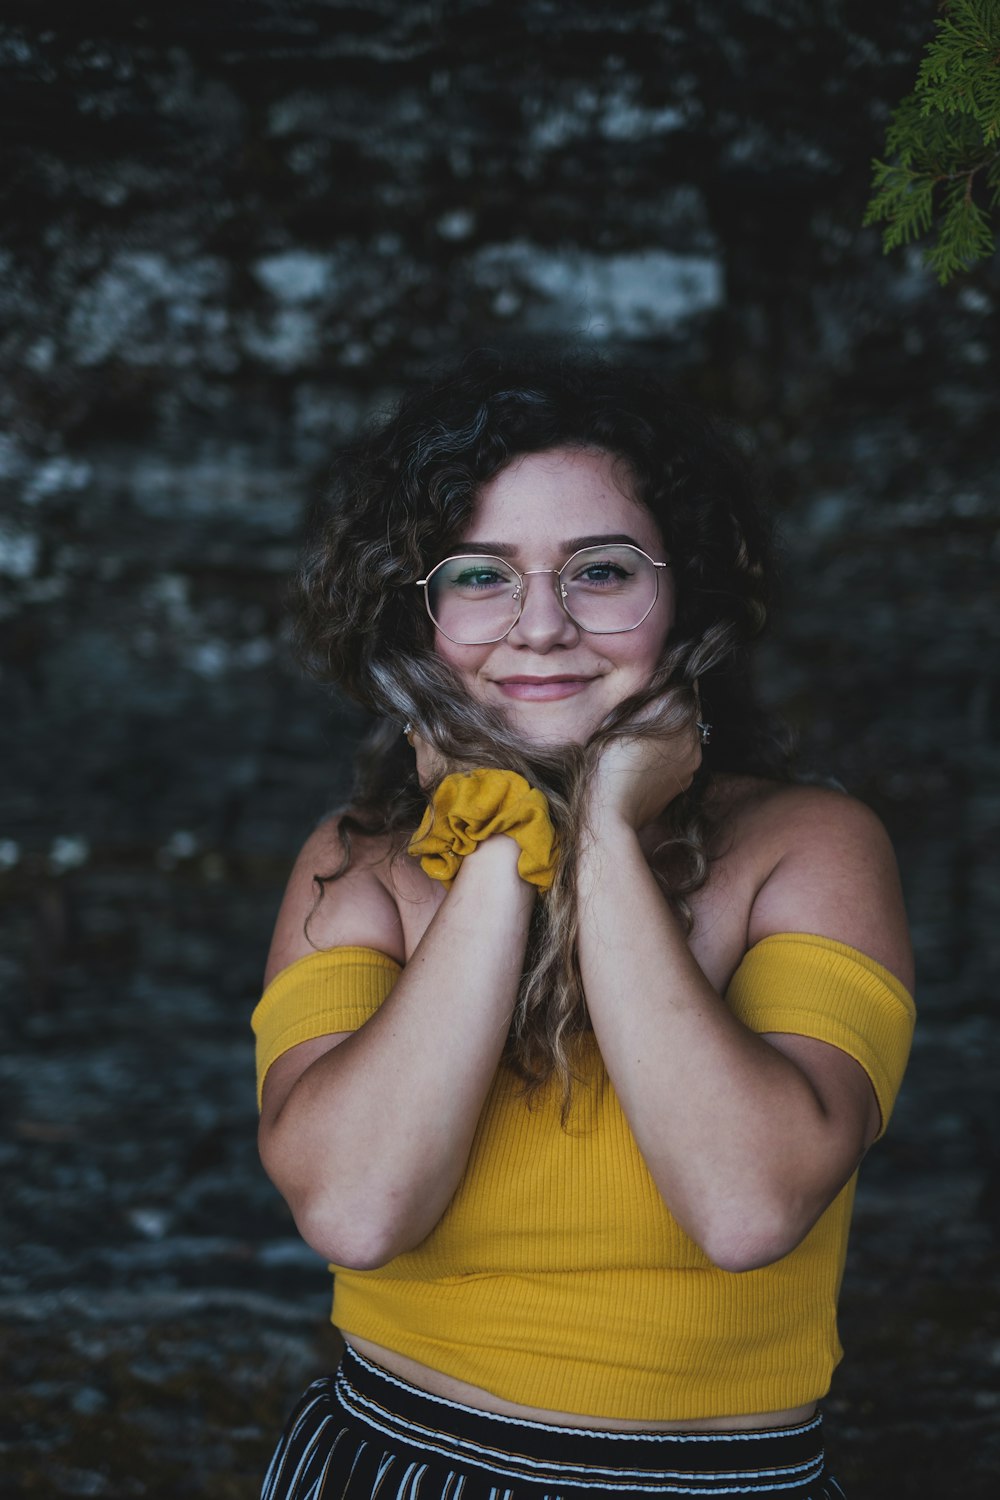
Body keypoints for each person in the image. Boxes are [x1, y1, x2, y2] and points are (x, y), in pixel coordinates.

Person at [252, 349, 915, 1500]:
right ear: (415, 610)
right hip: (399, 1468)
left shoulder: (807, 849)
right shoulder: (356, 863)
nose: (543, 626)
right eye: (480, 575)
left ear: (685, 591)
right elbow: (357, 1210)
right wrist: (505, 836)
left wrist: (604, 821)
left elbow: (747, 1206)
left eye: (600, 570)